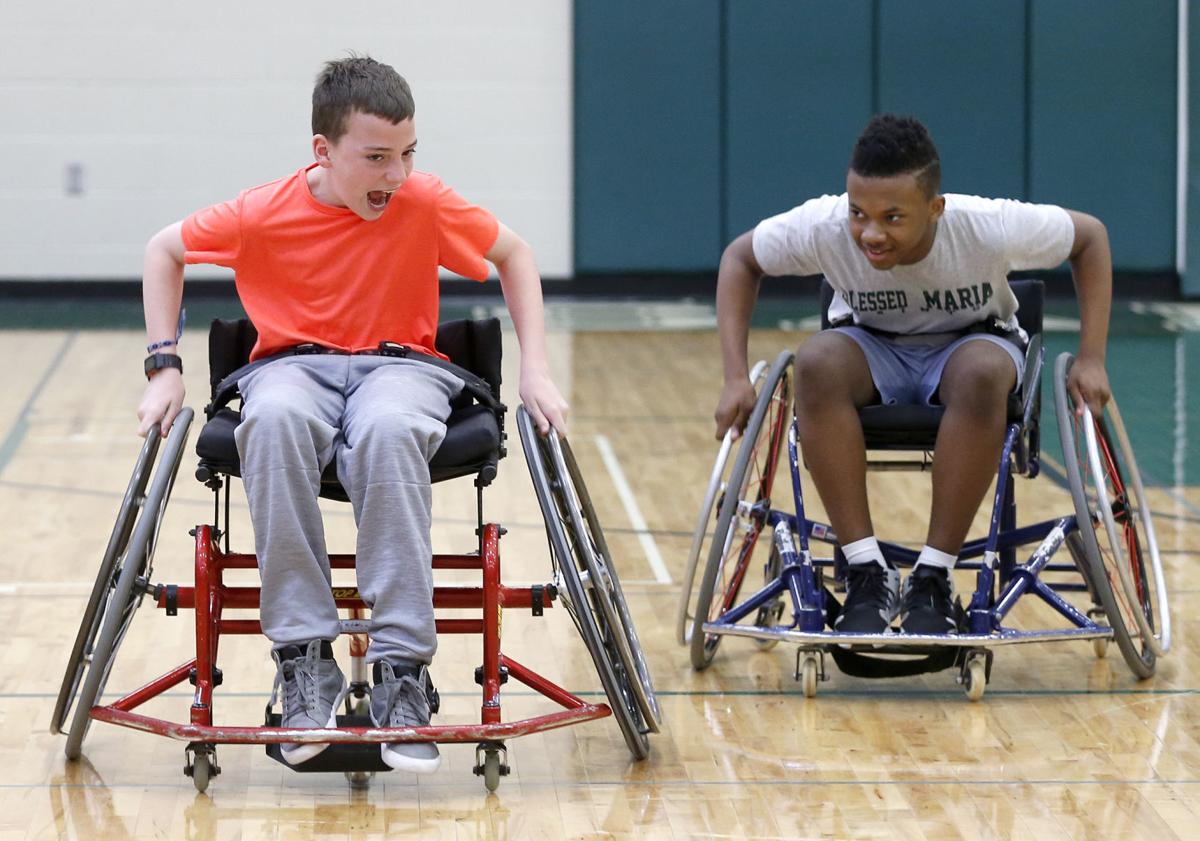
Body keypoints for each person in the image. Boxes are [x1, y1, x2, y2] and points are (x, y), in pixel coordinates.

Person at [134, 55, 569, 773]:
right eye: (375, 158)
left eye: (406, 155)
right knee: (269, 421)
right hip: (291, 367)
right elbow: (164, 249)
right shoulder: (262, 211)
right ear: (323, 152)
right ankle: (305, 659)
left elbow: (514, 254)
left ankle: (403, 670)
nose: (395, 175)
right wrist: (164, 363)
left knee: (390, 430)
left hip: (400, 367)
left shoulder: (423, 202)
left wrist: (538, 369)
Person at [713, 114, 1111, 636]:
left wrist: (1092, 357)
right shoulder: (825, 227)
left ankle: (934, 575)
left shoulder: (986, 226)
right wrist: (735, 376)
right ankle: (864, 568)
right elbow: (741, 258)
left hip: (972, 342)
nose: (870, 233)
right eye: (859, 213)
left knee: (980, 373)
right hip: (871, 344)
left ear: (934, 208)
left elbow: (1091, 238)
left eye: (893, 217)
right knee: (814, 363)